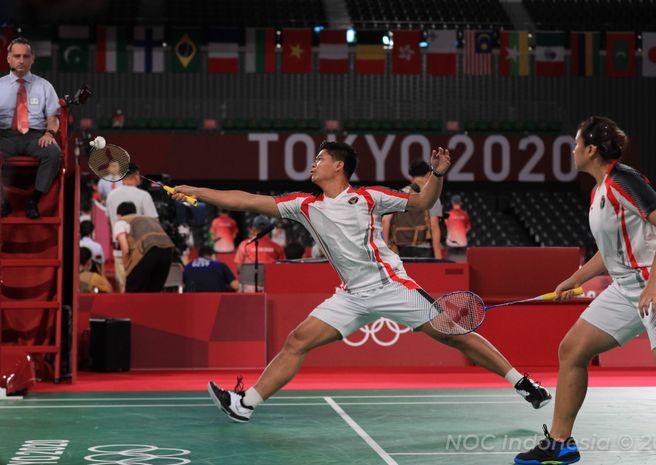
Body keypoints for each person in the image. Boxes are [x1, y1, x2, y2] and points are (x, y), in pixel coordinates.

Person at [172, 140, 551, 424]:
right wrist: (199, 192)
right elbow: (250, 201)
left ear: (338, 166)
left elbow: (421, 204)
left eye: (319, 158)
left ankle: (522, 383)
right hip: (350, 296)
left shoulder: (369, 197)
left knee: (455, 334)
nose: (313, 163)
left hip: (390, 286)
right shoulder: (306, 205)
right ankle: (245, 404)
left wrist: (436, 174)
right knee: (297, 340)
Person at [515, 117, 656, 465]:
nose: (571, 150)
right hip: (628, 286)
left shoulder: (622, 179)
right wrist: (574, 279)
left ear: (591, 150)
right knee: (572, 349)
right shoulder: (598, 191)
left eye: (575, 144)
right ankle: (560, 443)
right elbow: (608, 254)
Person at [0, 37, 62, 219]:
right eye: (17, 56)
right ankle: (3, 202)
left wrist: (50, 133)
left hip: (35, 137)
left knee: (53, 153)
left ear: (32, 59)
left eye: (25, 56)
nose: (21, 60)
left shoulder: (44, 86)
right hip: (4, 137)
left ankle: (33, 201)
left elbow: (53, 118)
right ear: (8, 58)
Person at [105, 162, 158, 291]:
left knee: (124, 290)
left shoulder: (111, 196)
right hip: (139, 252)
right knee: (139, 290)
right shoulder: (144, 196)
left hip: (118, 251)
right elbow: (154, 223)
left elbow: (108, 221)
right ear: (135, 175)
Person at [382, 160, 443, 258]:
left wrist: (385, 249)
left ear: (411, 176)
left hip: (401, 249)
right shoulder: (431, 196)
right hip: (424, 249)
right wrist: (438, 257)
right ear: (428, 174)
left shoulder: (401, 193)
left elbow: (385, 220)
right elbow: (434, 226)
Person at [113, 201, 175, 293]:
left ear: (118, 214)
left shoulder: (121, 221)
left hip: (147, 250)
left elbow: (125, 249)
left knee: (133, 292)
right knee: (153, 292)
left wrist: (127, 269)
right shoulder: (149, 219)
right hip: (167, 250)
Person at [444, 194, 471, 262]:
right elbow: (468, 227)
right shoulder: (465, 214)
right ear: (460, 203)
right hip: (462, 242)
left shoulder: (448, 214)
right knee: (461, 263)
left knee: (451, 263)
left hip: (451, 242)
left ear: (452, 203)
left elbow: (446, 226)